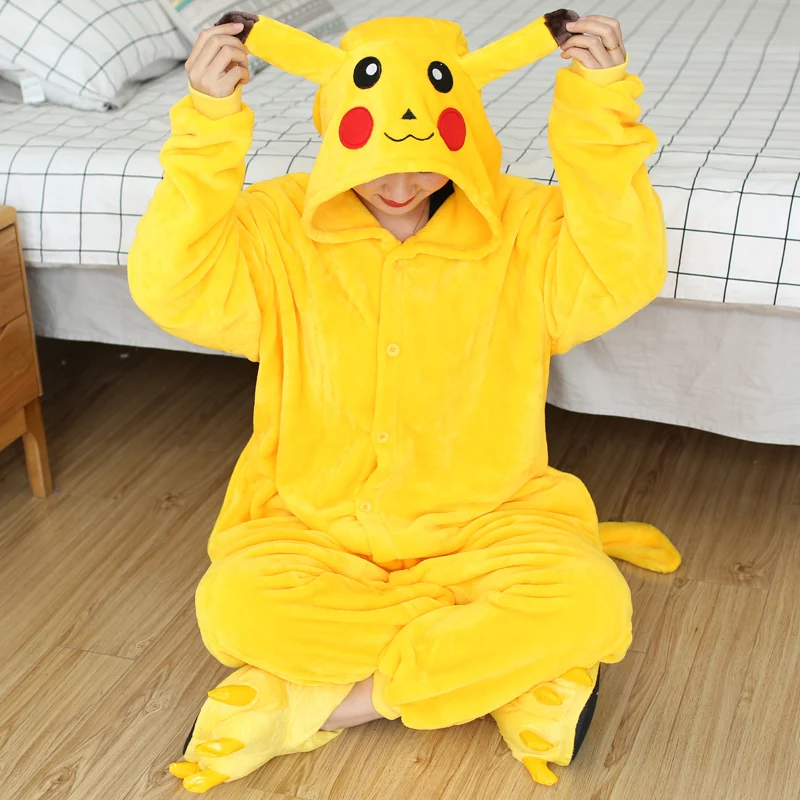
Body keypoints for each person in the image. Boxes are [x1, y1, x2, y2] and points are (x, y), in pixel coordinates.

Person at [128, 9, 680, 794]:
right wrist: (209, 125)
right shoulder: (279, 226)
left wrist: (599, 106)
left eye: (421, 164)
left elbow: (624, 267)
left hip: (490, 520)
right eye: (376, 164)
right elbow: (171, 284)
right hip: (316, 523)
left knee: (591, 603)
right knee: (234, 608)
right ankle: (498, 675)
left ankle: (324, 702)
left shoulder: (524, 227)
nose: (397, 187)